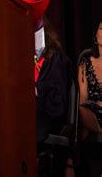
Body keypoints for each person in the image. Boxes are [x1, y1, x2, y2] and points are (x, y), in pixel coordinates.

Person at [34, 17, 72, 150]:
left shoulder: (56, 60)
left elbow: (58, 104)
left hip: (49, 117)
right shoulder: (20, 59)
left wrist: (37, 90)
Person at [78, 20, 102, 135]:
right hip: (93, 113)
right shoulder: (85, 64)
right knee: (81, 110)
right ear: (95, 35)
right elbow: (82, 101)